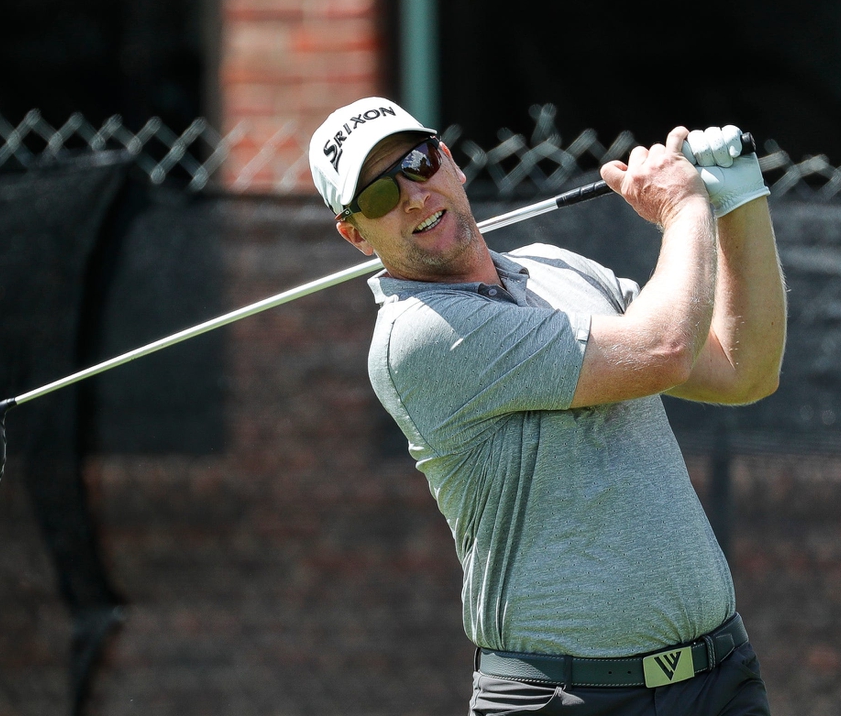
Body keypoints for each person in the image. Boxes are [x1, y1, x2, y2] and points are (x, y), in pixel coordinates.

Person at [308, 97, 786, 715]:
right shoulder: (419, 336)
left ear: (448, 162)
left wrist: (740, 200)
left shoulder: (556, 266)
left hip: (720, 678)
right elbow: (663, 348)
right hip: (566, 697)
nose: (414, 197)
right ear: (354, 233)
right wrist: (688, 205)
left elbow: (744, 370)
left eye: (419, 163)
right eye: (377, 196)